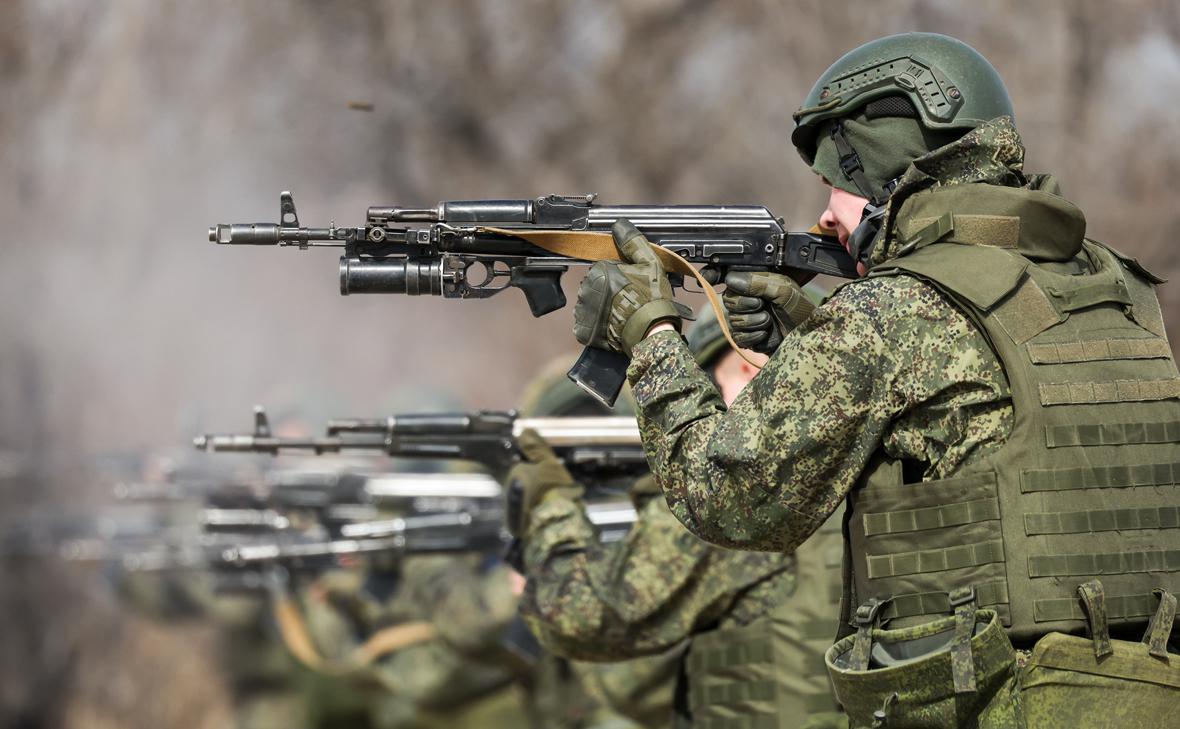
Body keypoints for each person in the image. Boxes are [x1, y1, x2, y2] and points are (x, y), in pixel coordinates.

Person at [570, 31, 1180, 727]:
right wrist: (810, 336)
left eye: (840, 179)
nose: (828, 212)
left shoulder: (888, 310)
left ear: (889, 167)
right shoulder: (1120, 286)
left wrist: (651, 334)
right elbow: (977, 424)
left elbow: (730, 497)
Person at [510, 323, 845, 727]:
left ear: (750, 375)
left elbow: (578, 618)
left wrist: (550, 506)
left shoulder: (733, 500)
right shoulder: (886, 468)